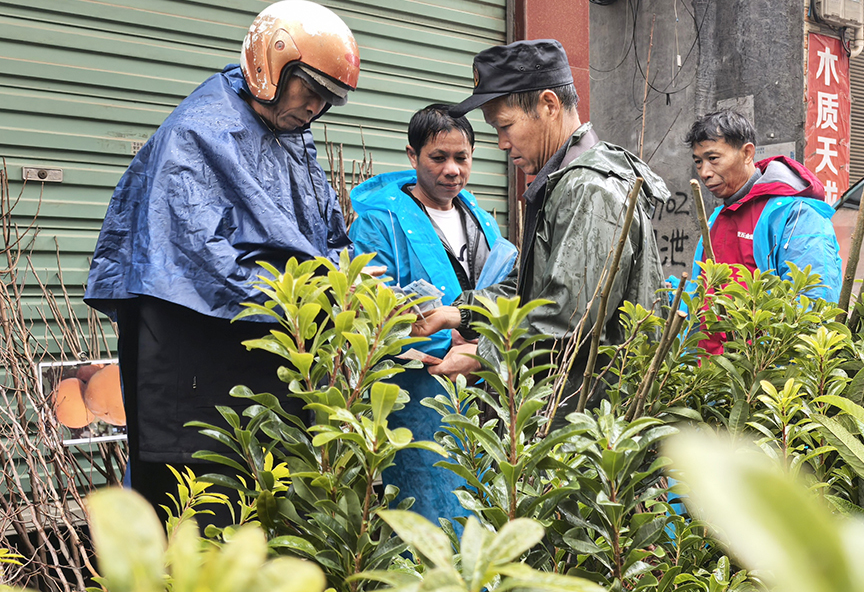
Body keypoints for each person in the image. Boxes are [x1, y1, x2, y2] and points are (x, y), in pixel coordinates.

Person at [83, 0, 359, 516]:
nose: (316, 108)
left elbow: (327, 236)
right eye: (312, 91)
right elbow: (198, 259)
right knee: (195, 519)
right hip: (193, 368)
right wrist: (304, 296)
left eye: (328, 100)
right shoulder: (197, 134)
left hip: (261, 364)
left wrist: (354, 290)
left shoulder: (292, 138)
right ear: (273, 66)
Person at [412, 40, 669, 426]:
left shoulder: (590, 190)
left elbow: (567, 321)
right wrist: (460, 313)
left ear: (549, 105)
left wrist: (484, 357)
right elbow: (531, 289)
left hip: (590, 428)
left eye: (505, 126)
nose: (501, 143)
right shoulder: (565, 182)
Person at [349, 104, 516, 525]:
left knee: (482, 512)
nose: (452, 170)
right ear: (412, 155)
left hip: (479, 386)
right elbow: (368, 300)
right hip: (415, 392)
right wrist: (413, 347)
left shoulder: (479, 218)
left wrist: (481, 342)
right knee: (425, 516)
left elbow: (506, 289)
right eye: (438, 158)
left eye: (462, 158)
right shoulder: (378, 221)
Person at [686, 110, 843, 354]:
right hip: (709, 377)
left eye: (713, 158)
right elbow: (699, 294)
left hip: (763, 377)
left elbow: (814, 305)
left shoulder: (796, 214)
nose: (705, 172)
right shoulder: (717, 217)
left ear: (747, 153)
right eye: (698, 162)